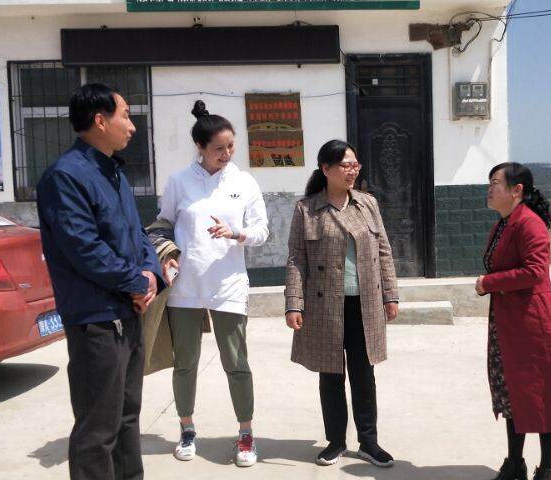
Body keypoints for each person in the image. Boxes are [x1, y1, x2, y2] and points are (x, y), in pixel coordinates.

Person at [37, 83, 163, 480]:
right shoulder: (65, 177)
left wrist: (150, 275)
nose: (133, 126)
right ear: (100, 120)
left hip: (128, 312)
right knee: (98, 428)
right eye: (125, 115)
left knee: (127, 417)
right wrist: (135, 282)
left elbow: (138, 233)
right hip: (96, 319)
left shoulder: (114, 172)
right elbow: (84, 248)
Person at [154, 100, 269, 466]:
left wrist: (237, 233)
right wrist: (167, 255)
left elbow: (262, 231)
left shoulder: (244, 182)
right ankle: (187, 429)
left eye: (231, 146)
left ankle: (246, 434)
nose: (227, 153)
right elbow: (162, 225)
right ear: (200, 147)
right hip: (185, 288)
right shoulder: (178, 181)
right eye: (218, 147)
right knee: (185, 363)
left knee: (236, 363)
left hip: (229, 285)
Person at [475, 162, 551, 480]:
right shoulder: (504, 223)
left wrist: (489, 283)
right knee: (512, 392)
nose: (489, 189)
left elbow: (535, 271)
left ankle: (547, 469)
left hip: (533, 324)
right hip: (508, 322)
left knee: (545, 394)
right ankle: (515, 462)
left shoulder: (530, 223)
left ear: (516, 190)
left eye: (495, 182)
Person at [284, 139, 399, 468]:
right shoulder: (307, 209)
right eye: (345, 165)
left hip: (365, 304)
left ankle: (369, 442)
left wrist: (390, 295)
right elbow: (296, 259)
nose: (352, 171)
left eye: (355, 165)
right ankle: (335, 441)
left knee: (364, 375)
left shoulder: (367, 204)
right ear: (326, 169)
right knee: (330, 376)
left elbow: (384, 251)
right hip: (324, 307)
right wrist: (294, 303)